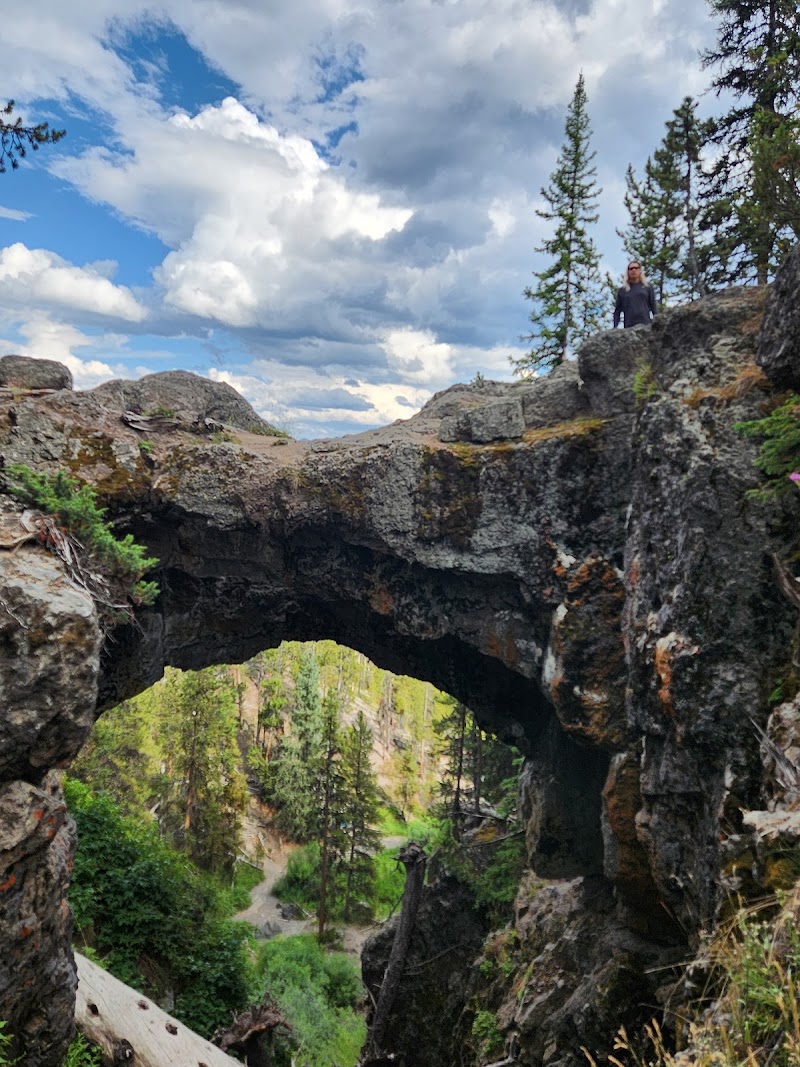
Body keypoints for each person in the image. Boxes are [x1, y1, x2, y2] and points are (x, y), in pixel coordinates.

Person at [613, 261, 657, 328]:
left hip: (645, 324)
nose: (634, 270)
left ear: (640, 270)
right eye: (631, 269)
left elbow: (653, 306)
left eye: (636, 268)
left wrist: (657, 322)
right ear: (628, 272)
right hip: (629, 326)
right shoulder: (623, 290)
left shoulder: (647, 287)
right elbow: (617, 311)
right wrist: (615, 327)